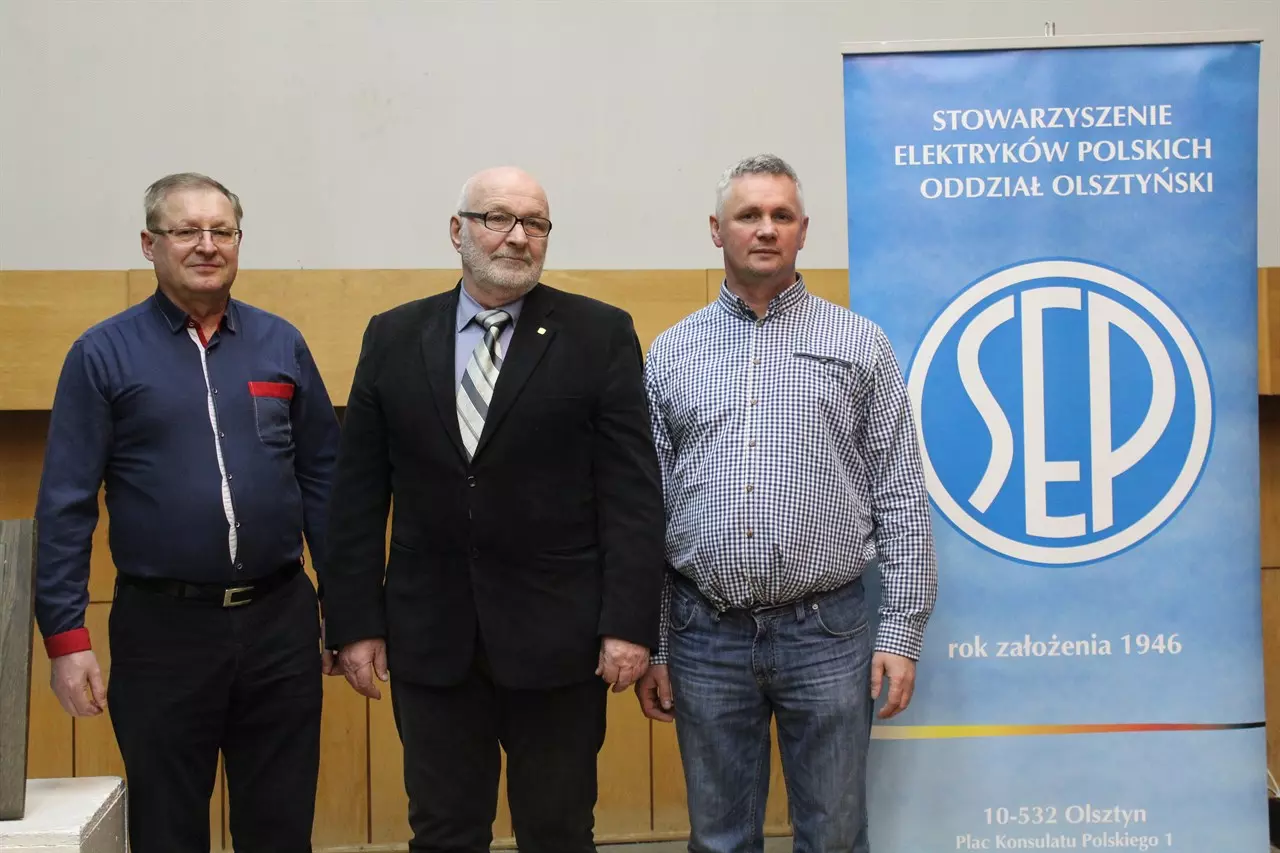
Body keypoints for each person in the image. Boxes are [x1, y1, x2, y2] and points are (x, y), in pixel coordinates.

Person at [321, 166, 665, 853]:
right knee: (444, 831)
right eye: (497, 218)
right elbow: (356, 493)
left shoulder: (599, 334)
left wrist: (630, 625)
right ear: (458, 231)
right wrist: (354, 622)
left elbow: (632, 494)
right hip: (431, 639)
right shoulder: (392, 336)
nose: (516, 236)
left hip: (560, 642)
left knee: (558, 831)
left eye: (534, 223)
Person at [635, 154, 938, 853]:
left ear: (804, 230)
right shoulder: (671, 353)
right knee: (719, 839)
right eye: (749, 215)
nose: (766, 229)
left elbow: (900, 495)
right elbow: (648, 510)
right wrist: (657, 644)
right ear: (717, 230)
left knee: (833, 836)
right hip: (704, 634)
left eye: (782, 215)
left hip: (826, 633)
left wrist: (901, 632)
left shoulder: (859, 344)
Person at [33, 173, 341, 853]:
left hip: (279, 623)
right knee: (167, 830)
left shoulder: (281, 344)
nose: (207, 245)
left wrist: (344, 606)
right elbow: (66, 502)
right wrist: (66, 637)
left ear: (238, 241)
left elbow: (324, 478)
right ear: (150, 244)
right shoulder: (102, 353)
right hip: (163, 631)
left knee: (280, 827)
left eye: (221, 231)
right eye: (186, 231)